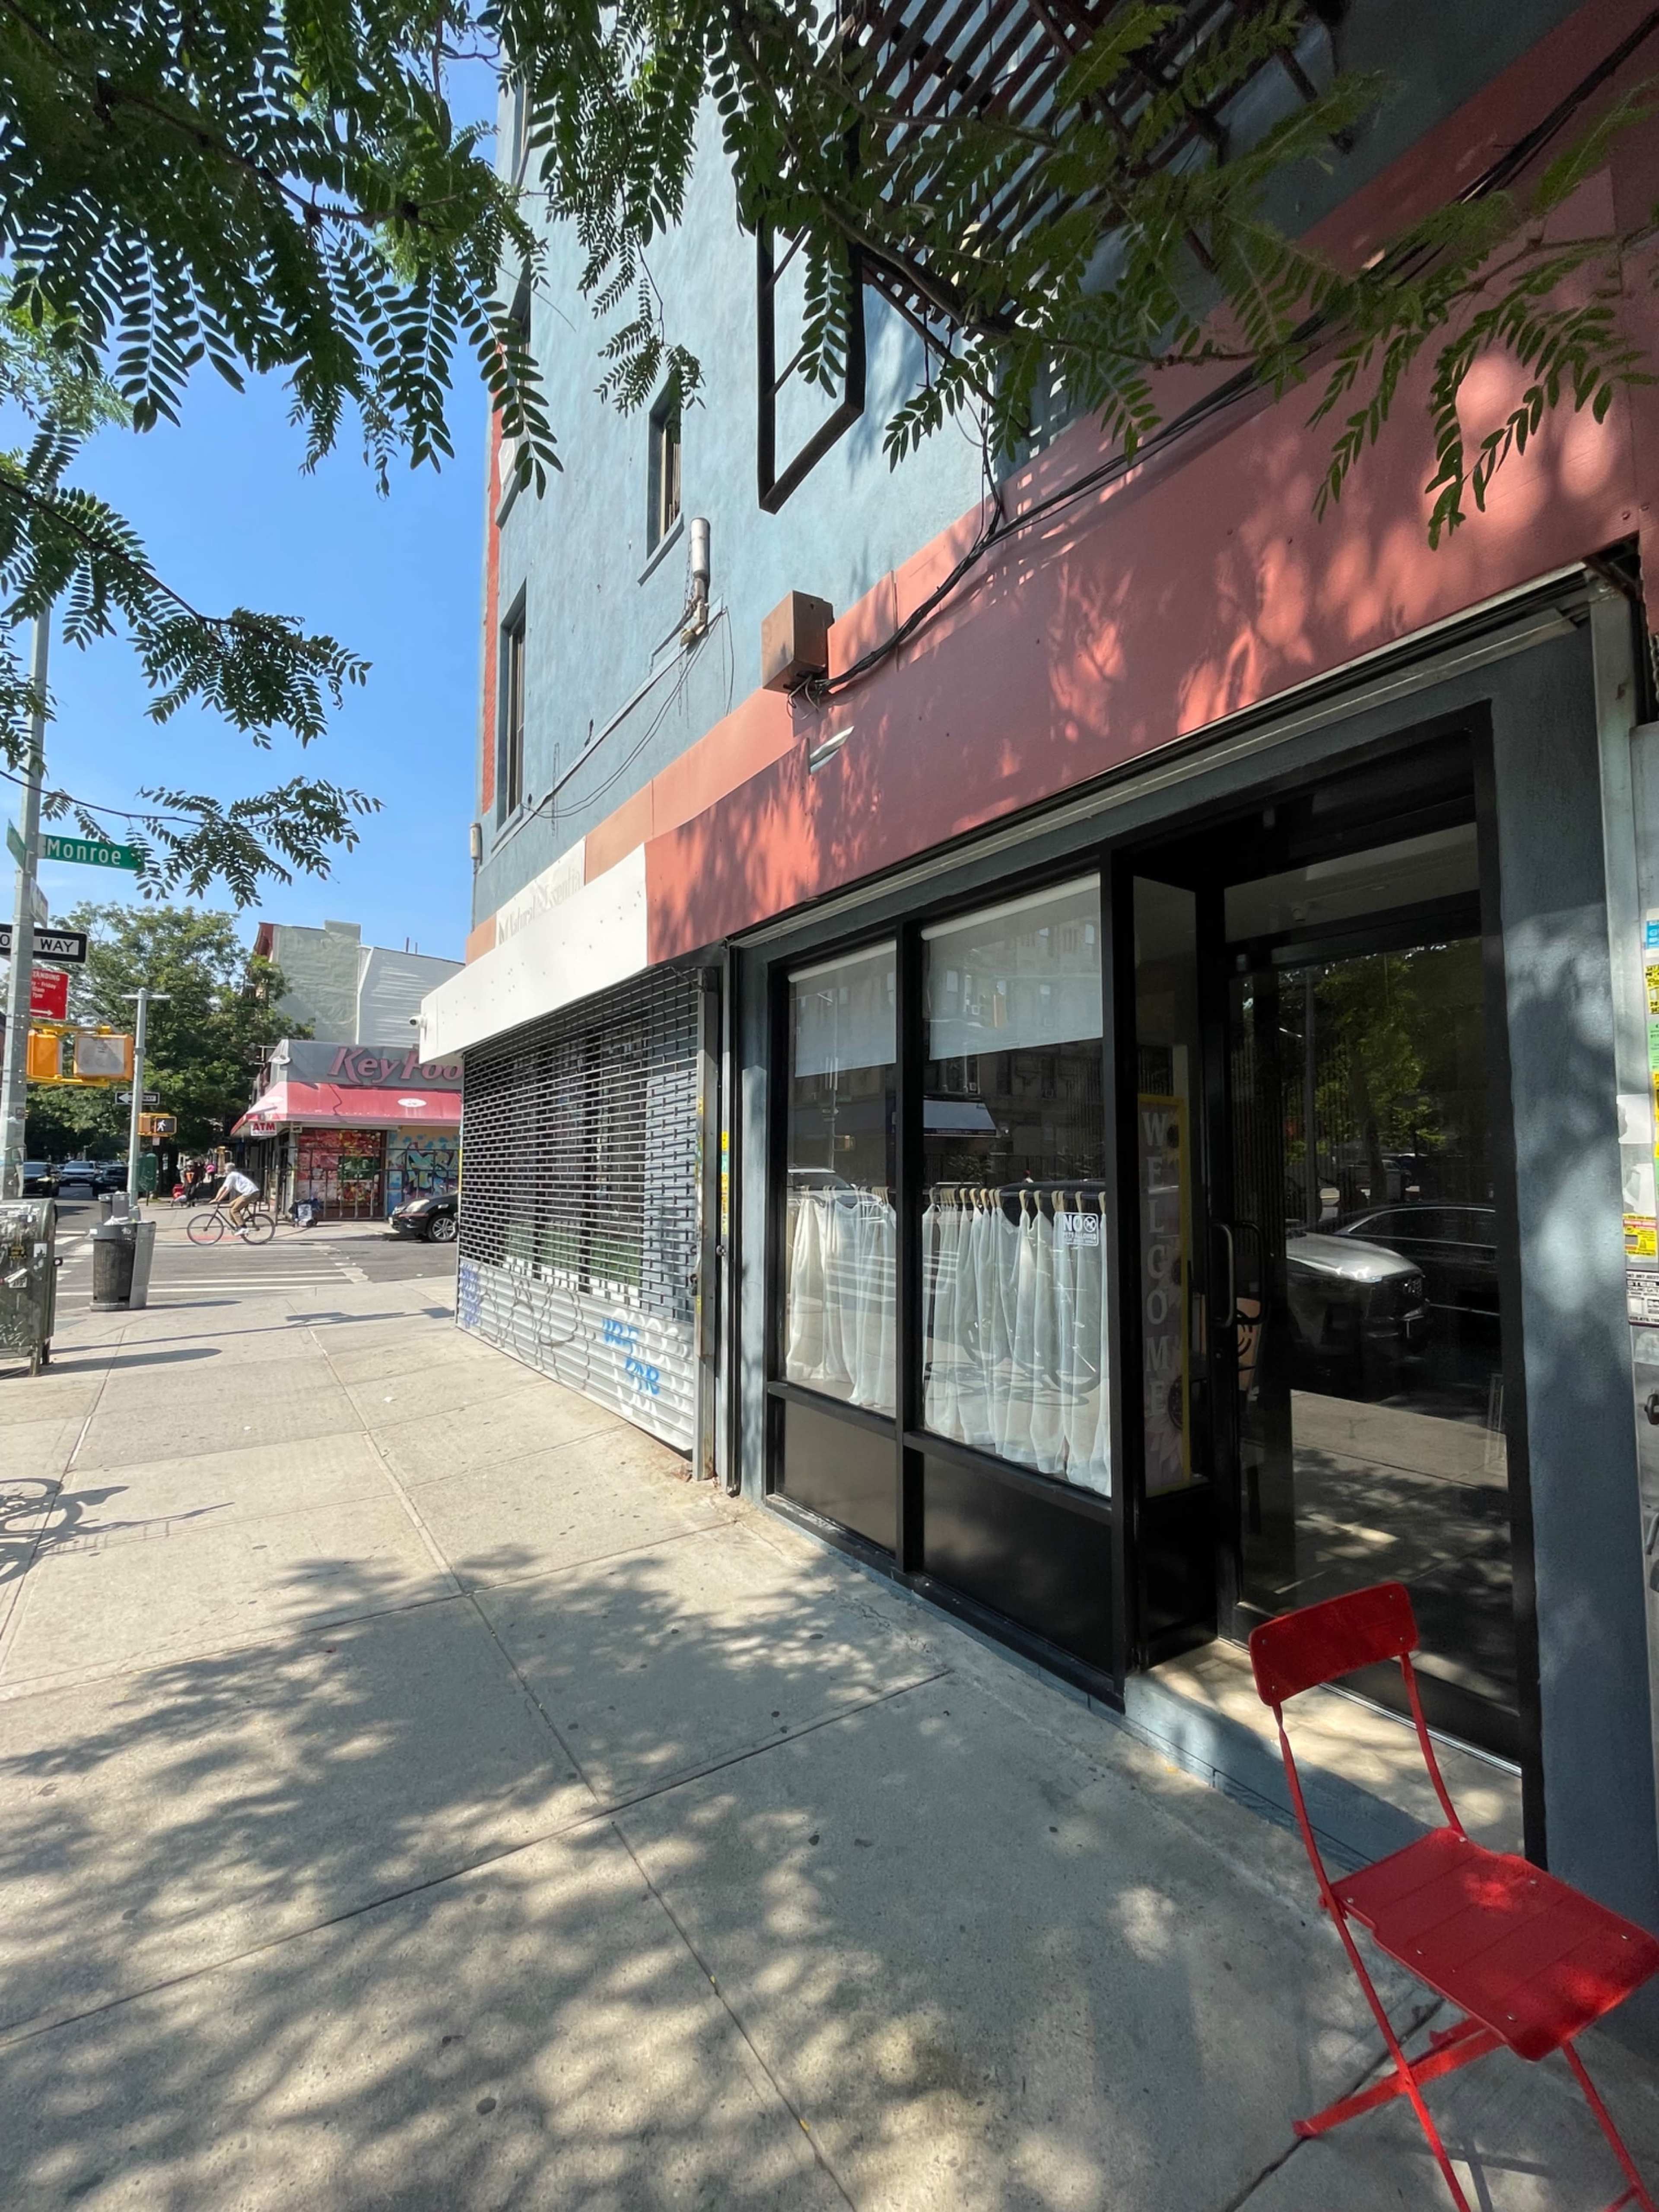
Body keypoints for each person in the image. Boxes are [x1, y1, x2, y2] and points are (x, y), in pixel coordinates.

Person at [215, 1164, 260, 1228]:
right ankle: (236, 1225)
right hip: (250, 1193)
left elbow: (226, 1190)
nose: (225, 1171)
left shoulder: (232, 1176)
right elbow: (224, 1188)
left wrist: (218, 1200)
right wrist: (217, 1199)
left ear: (228, 1170)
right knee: (231, 1205)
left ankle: (243, 1228)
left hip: (250, 1193)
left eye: (225, 1170)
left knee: (234, 1210)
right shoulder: (234, 1175)